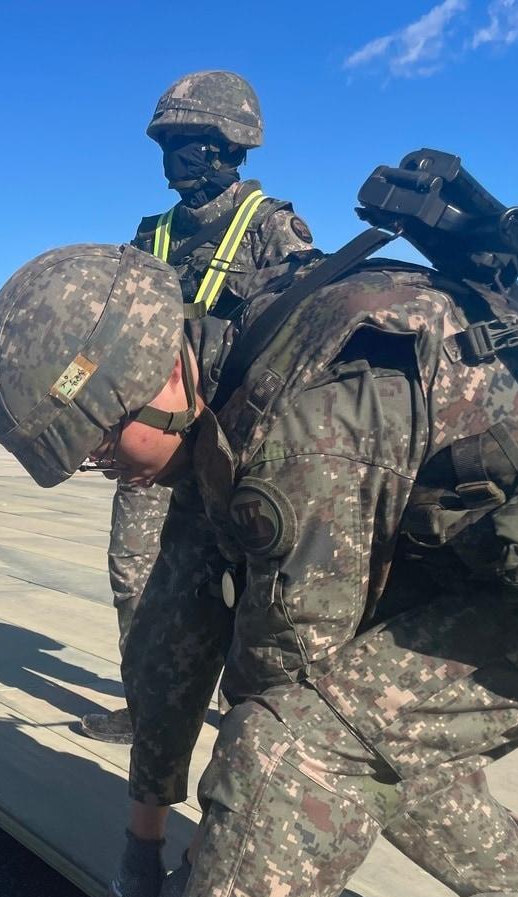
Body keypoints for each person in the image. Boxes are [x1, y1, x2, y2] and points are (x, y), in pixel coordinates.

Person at [0, 242, 518, 897]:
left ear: (163, 373)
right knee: (378, 737)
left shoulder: (309, 424)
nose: (102, 467)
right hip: (501, 561)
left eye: (100, 441)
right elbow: (173, 632)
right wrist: (142, 840)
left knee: (298, 746)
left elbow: (286, 699)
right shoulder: (224, 391)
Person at [90, 70, 321, 747]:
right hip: (155, 443)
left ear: (230, 144)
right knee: (136, 577)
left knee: (254, 590)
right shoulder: (150, 234)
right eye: (168, 143)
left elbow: (305, 339)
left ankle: (243, 712)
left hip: (237, 448)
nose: (174, 157)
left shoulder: (272, 228)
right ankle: (150, 704)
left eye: (189, 141)